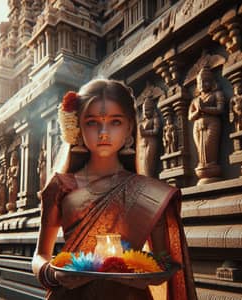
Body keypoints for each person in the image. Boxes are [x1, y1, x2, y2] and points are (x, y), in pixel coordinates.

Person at [32, 79, 197, 300]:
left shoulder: (148, 193)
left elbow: (164, 262)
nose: (103, 132)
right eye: (92, 122)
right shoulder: (61, 187)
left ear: (129, 127)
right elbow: (41, 255)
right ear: (78, 127)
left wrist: (148, 274)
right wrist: (52, 273)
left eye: (115, 122)